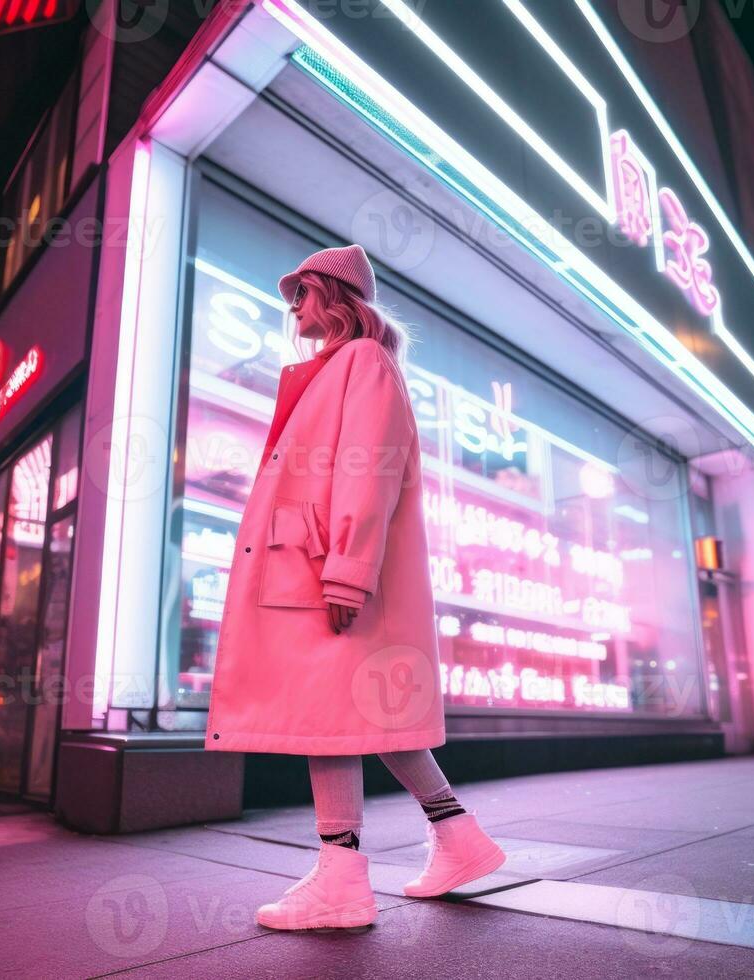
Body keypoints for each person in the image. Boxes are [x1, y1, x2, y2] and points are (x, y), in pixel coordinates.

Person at [204, 245, 505, 931]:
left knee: (332, 717)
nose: (293, 307)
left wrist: (348, 567)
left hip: (324, 567)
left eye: (303, 293)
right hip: (315, 561)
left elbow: (367, 470)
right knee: (348, 713)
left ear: (336, 297)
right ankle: (455, 839)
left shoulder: (361, 362)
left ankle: (343, 875)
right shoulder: (337, 368)